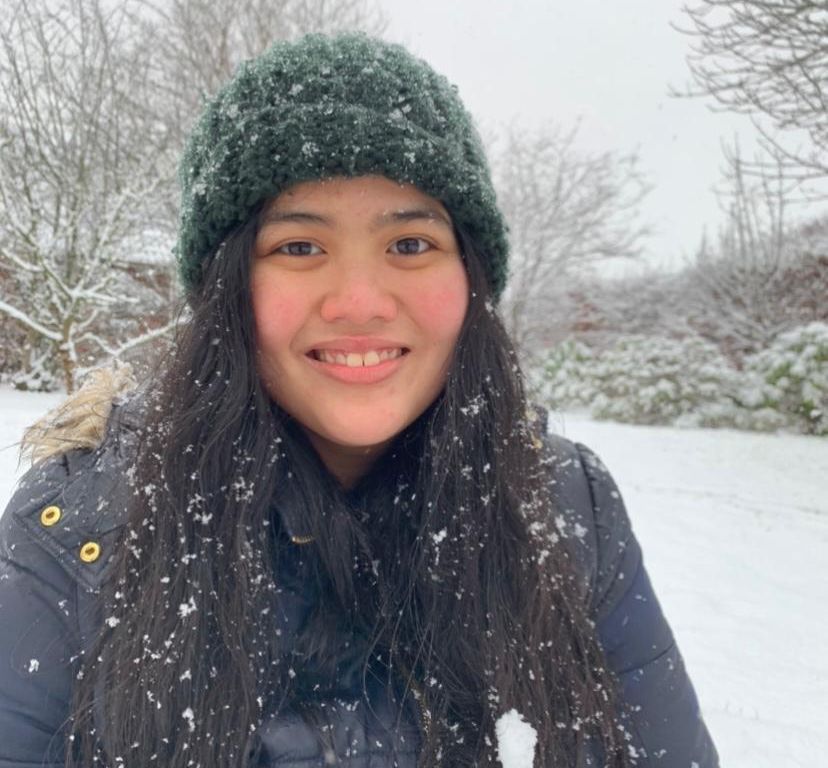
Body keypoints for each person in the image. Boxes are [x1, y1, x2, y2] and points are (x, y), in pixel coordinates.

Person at [0, 33, 718, 768]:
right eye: (299, 248)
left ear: (470, 278)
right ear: (226, 290)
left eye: (410, 245)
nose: (360, 303)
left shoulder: (571, 508)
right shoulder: (77, 527)